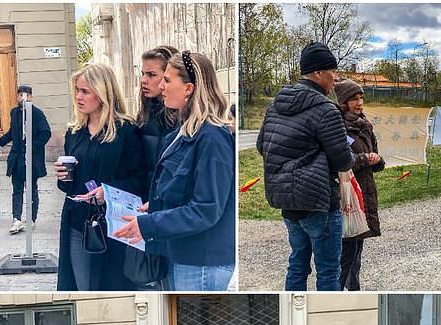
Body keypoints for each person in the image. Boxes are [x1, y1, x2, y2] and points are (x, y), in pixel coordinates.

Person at [113, 51, 235, 291]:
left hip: (201, 260)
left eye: (167, 80)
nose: (161, 86)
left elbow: (207, 208)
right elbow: (186, 190)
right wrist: (157, 206)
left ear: (188, 88)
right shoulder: (185, 132)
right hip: (183, 253)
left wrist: (148, 225)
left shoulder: (212, 138)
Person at [256, 42, 353, 292]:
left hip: (287, 203)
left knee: (297, 266)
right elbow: (343, 160)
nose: (336, 77)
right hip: (318, 203)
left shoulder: (274, 105)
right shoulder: (325, 109)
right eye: (333, 71)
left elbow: (261, 146)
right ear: (318, 73)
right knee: (329, 270)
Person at [55, 64, 147, 291]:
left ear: (103, 92)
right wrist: (63, 177)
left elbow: (142, 179)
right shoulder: (75, 132)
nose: (78, 96)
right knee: (83, 286)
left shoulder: (125, 130)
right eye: (76, 90)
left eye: (85, 91)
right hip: (79, 221)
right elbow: (69, 187)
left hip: (116, 224)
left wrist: (108, 192)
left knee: (114, 286)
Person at [335, 80, 384, 291]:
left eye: (361, 98)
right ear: (344, 101)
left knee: (357, 249)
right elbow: (341, 159)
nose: (359, 103)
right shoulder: (338, 125)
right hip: (348, 194)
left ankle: (353, 288)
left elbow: (377, 157)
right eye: (354, 99)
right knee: (347, 250)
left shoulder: (364, 125)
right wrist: (364, 159)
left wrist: (377, 160)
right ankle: (338, 291)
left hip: (365, 191)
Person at [0, 84, 52, 234]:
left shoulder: (37, 114)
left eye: (26, 95)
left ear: (31, 97)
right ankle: (16, 219)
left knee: (32, 189)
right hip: (17, 158)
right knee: (17, 189)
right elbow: (12, 132)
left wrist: (31, 147)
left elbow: (46, 133)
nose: (22, 98)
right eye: (20, 95)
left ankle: (31, 219)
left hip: (32, 159)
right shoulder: (14, 113)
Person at [135, 45, 179, 183]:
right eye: (143, 74)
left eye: (152, 75)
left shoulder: (185, 117)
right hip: (145, 196)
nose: (143, 80)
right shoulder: (143, 115)